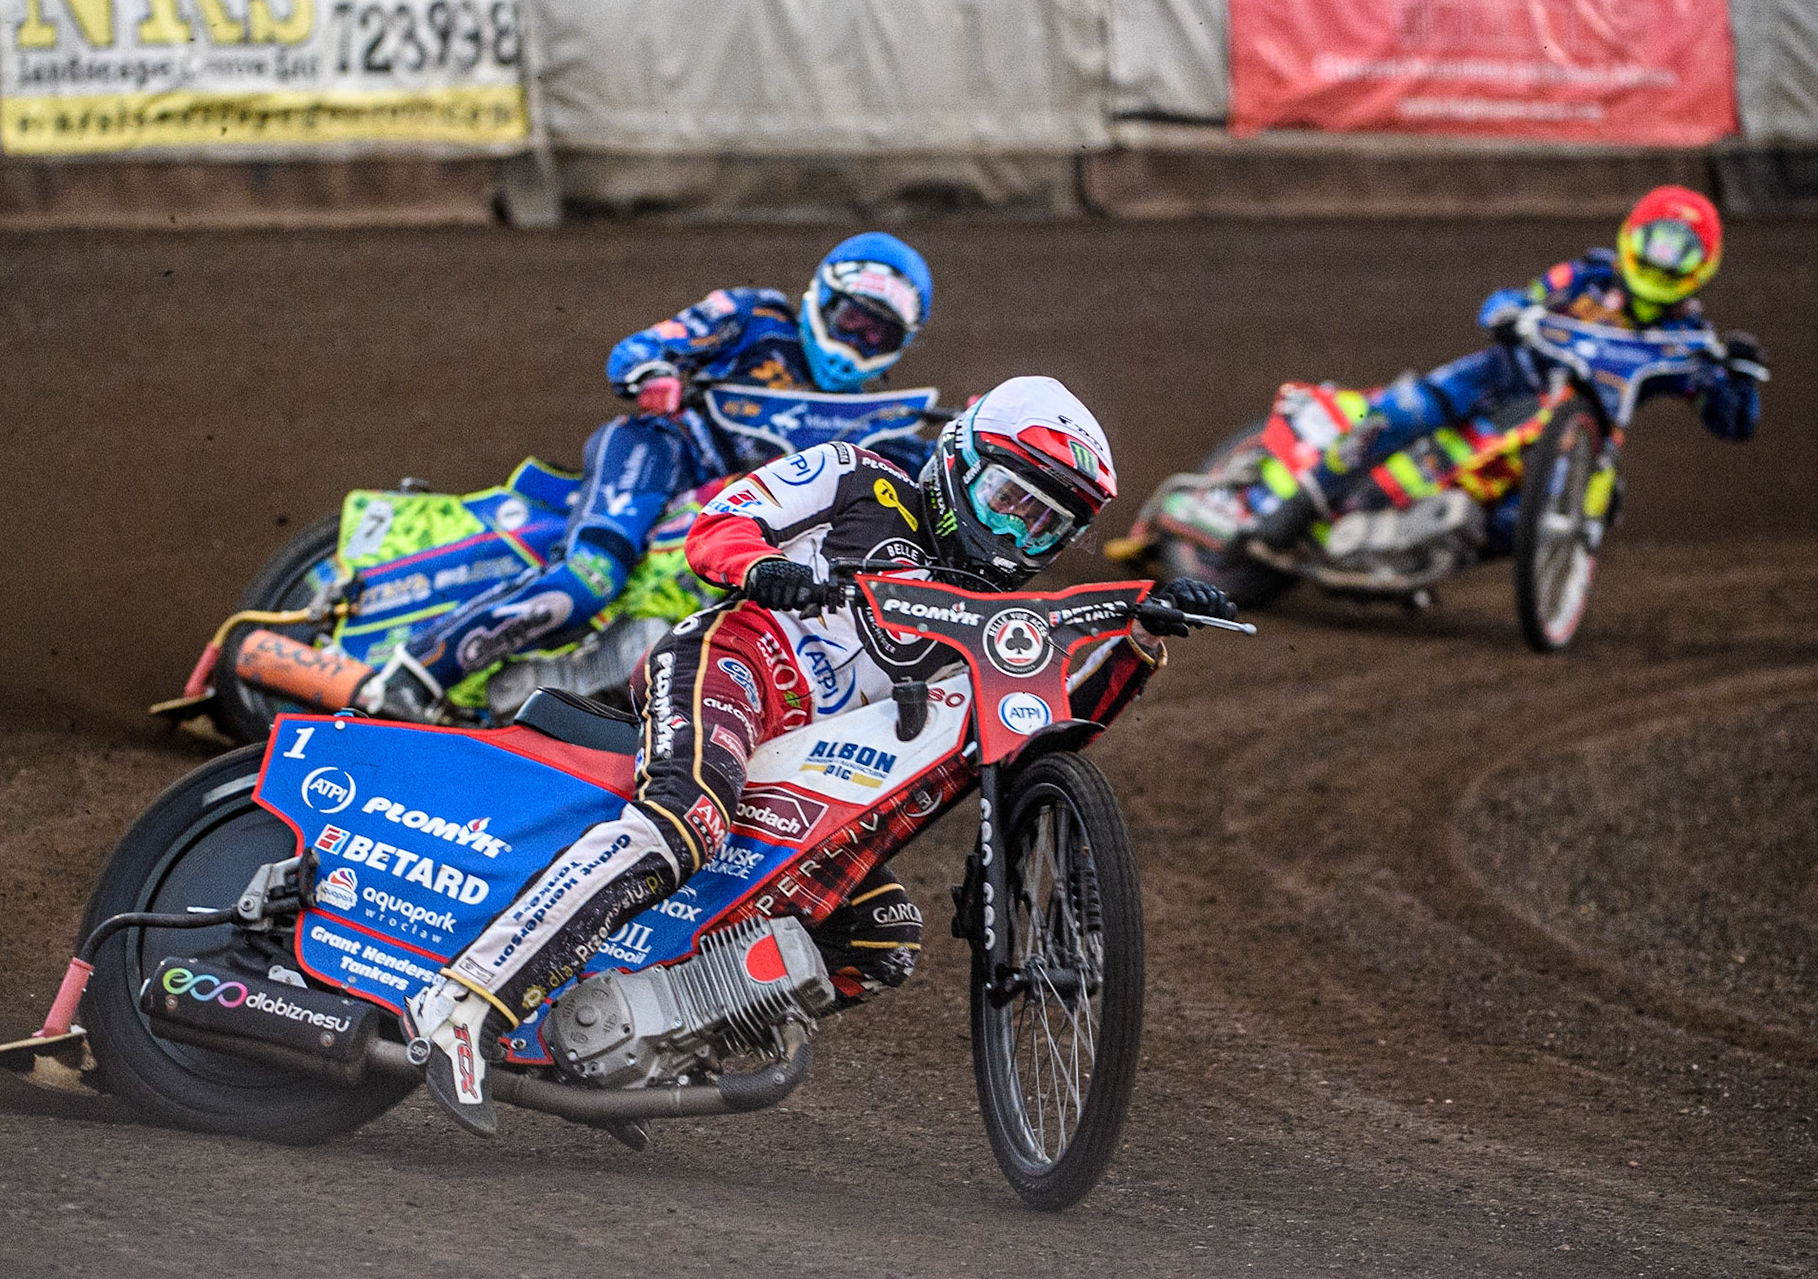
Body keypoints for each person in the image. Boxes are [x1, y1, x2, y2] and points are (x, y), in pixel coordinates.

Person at [400, 375, 1236, 1135]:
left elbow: (1049, 732)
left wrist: (1139, 638)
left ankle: (628, 1044)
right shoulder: (856, 477)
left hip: (815, 766)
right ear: (958, 460)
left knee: (881, 935)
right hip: (742, 662)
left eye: (1044, 524)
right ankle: (465, 1003)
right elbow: (717, 527)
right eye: (1008, 499)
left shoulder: (991, 619)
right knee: (688, 818)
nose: (1015, 532)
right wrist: (764, 569)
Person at [402, 232, 937, 693]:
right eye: (852, 321)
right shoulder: (754, 317)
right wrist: (656, 374)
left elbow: (926, 481)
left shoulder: (878, 420)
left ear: (901, 346)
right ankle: (415, 673)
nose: (856, 342)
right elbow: (642, 348)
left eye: (876, 335)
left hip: (731, 522)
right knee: (590, 576)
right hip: (664, 451)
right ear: (822, 297)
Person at [1249, 185, 1768, 551]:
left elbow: (1731, 421)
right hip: (1501, 378)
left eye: (1680, 252)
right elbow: (1515, 298)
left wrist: (1741, 377)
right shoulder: (1588, 275)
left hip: (1571, 438)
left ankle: (1419, 551)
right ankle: (1295, 510)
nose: (1662, 260)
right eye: (1656, 243)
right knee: (1403, 412)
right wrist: (1509, 311)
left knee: (1567, 513)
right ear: (1633, 238)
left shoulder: (1689, 340)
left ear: (1704, 263)